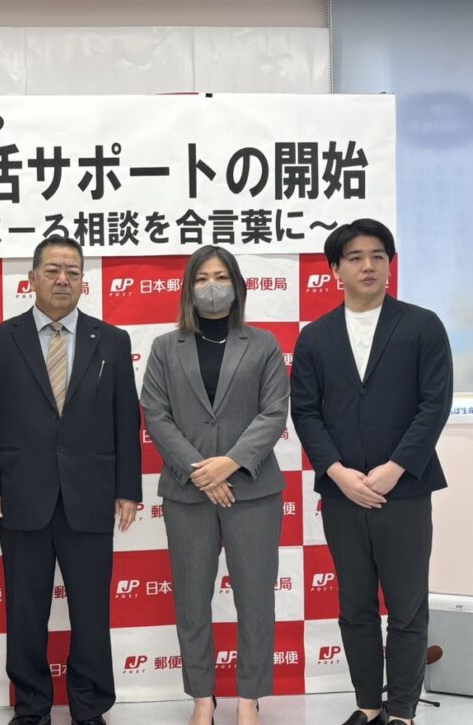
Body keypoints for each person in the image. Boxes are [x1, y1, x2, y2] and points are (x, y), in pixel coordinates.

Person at [0, 235, 141, 725]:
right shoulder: (0, 339)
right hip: (22, 494)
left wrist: (127, 489)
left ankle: (89, 707)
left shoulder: (112, 340)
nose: (62, 279)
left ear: (84, 281)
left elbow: (126, 419)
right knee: (25, 611)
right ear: (32, 279)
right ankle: (31, 708)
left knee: (91, 611)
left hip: (91, 494)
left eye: (72, 271)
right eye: (52, 270)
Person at [291, 219, 452, 725]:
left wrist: (396, 467)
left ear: (389, 264)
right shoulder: (315, 336)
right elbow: (305, 412)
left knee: (406, 607)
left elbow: (434, 404)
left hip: (404, 491)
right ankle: (368, 706)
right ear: (335, 270)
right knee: (355, 606)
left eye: (378, 256)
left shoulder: (422, 325)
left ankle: (401, 711)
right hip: (343, 494)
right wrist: (337, 472)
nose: (368, 265)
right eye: (355, 257)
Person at [140, 246, 289, 725]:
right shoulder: (166, 347)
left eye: (221, 277)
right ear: (189, 287)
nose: (211, 286)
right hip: (188, 493)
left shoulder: (262, 344)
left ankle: (249, 699)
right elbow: (156, 414)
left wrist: (229, 464)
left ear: (237, 285)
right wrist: (200, 471)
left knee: (256, 598)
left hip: (253, 491)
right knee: (191, 600)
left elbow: (274, 412)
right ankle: (202, 697)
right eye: (202, 278)